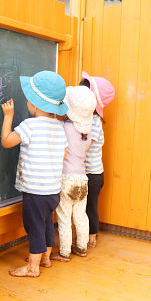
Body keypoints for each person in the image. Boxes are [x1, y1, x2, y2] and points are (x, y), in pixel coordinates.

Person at [0, 70, 69, 277]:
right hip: (52, 190)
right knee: (47, 222)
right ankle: (45, 258)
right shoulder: (59, 127)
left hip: (35, 190)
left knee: (34, 228)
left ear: (36, 105)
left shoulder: (29, 125)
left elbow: (7, 141)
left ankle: (33, 267)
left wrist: (8, 117)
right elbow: (64, 153)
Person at [51, 85, 97, 261]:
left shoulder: (63, 127)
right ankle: (81, 246)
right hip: (82, 179)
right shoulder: (89, 132)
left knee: (63, 217)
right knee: (80, 215)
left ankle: (64, 252)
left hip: (66, 179)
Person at [81, 71, 115, 248]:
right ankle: (84, 234)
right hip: (84, 172)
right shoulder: (86, 118)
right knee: (83, 206)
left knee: (90, 206)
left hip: (93, 174)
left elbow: (86, 145)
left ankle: (92, 235)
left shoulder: (94, 120)